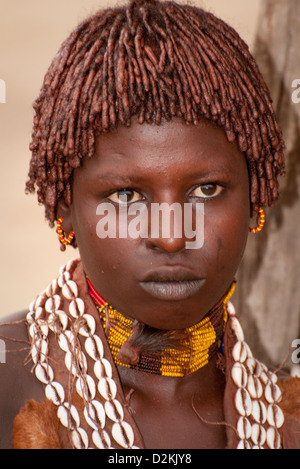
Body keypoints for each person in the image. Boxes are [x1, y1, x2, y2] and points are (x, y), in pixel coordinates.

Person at [0, 0, 299, 450]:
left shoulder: (284, 419)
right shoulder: (7, 385)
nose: (172, 234)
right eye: (126, 197)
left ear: (256, 197)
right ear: (65, 209)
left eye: (208, 190)